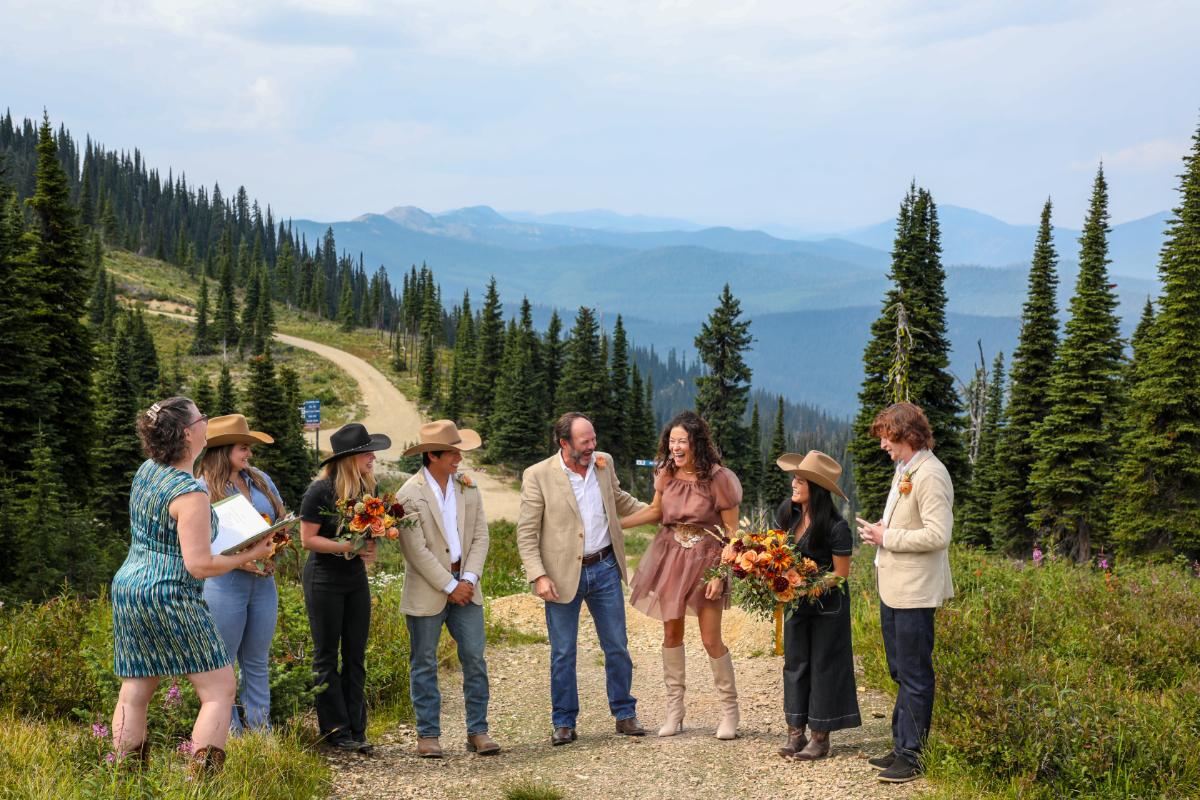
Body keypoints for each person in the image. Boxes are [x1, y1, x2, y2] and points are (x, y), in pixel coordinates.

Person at [109, 397, 276, 776]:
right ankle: (201, 783)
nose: (207, 423)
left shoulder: (147, 471)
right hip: (170, 593)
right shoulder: (191, 492)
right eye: (203, 418)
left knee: (135, 691)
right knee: (219, 690)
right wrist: (246, 556)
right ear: (188, 432)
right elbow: (198, 564)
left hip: (130, 588)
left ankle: (123, 778)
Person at [516, 412, 648, 745]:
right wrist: (539, 575)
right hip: (560, 576)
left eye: (593, 439)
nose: (592, 446)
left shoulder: (604, 463)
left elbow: (619, 500)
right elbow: (527, 532)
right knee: (563, 652)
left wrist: (660, 510)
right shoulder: (538, 476)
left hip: (604, 567)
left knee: (616, 646)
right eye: (585, 441)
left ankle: (624, 713)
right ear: (564, 443)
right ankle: (563, 721)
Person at [624, 410, 743, 739]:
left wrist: (722, 572)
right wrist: (614, 525)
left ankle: (729, 712)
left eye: (682, 442)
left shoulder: (719, 478)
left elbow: (732, 533)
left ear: (697, 444)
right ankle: (675, 712)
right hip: (671, 555)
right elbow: (655, 511)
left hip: (708, 558)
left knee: (710, 639)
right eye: (672, 441)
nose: (676, 447)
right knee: (671, 635)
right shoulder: (665, 473)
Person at [856, 402, 954, 784]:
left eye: (886, 436)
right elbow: (908, 523)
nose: (882, 444)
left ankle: (913, 756)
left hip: (915, 592)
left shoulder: (931, 474)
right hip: (894, 588)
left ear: (907, 435)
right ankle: (901, 746)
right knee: (900, 669)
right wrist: (882, 527)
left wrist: (888, 537)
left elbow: (938, 534)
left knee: (915, 673)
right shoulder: (905, 470)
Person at [397, 420, 500, 759]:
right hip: (429, 588)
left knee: (474, 657)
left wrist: (468, 579)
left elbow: (481, 535)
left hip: (466, 585)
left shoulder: (468, 487)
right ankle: (428, 735)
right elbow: (415, 550)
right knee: (424, 662)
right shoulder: (408, 494)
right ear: (433, 456)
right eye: (453, 452)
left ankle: (478, 730)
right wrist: (449, 585)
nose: (459, 457)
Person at [299, 422, 389, 754]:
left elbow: (368, 536)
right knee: (326, 655)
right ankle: (335, 729)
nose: (373, 459)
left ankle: (357, 727)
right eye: (368, 453)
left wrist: (369, 546)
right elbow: (308, 539)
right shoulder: (320, 491)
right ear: (350, 458)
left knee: (355, 653)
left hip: (354, 578)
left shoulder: (369, 489)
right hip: (323, 578)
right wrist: (347, 545)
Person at [198, 414, 288, 734]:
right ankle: (231, 735)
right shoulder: (202, 487)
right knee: (224, 665)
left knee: (257, 660)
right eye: (243, 447)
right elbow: (198, 541)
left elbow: (279, 515)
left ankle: (261, 732)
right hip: (225, 584)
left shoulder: (259, 478)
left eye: (249, 447)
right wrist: (239, 557)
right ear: (223, 450)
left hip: (264, 582)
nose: (249, 453)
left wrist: (277, 541)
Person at [773, 451, 861, 760]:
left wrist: (806, 586)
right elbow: (777, 551)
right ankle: (795, 733)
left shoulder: (837, 527)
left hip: (828, 607)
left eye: (800, 479)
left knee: (824, 666)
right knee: (795, 663)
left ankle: (820, 737)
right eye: (795, 477)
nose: (794, 483)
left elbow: (841, 575)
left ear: (816, 487)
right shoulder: (788, 512)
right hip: (796, 604)